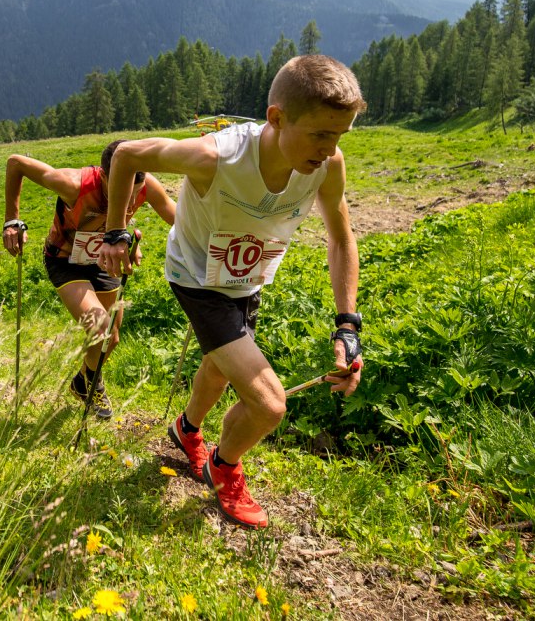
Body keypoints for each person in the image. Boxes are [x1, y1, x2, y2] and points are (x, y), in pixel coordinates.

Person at [97, 55, 365, 528]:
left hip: (248, 276)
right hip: (198, 278)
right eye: (320, 134)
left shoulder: (328, 166)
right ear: (277, 118)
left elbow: (341, 238)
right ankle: (223, 466)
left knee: (219, 369)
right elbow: (127, 155)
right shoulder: (214, 157)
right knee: (268, 404)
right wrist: (116, 233)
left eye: (340, 135)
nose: (329, 149)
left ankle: (186, 430)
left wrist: (348, 324)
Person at [3, 140, 177, 420]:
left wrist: (210, 232)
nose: (130, 203)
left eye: (134, 196)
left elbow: (173, 213)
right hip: (65, 260)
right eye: (122, 192)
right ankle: (92, 383)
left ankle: (84, 382)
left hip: (102, 261)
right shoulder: (74, 184)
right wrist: (12, 220)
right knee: (100, 327)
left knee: (112, 338)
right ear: (105, 175)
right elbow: (16, 163)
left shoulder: (146, 183)